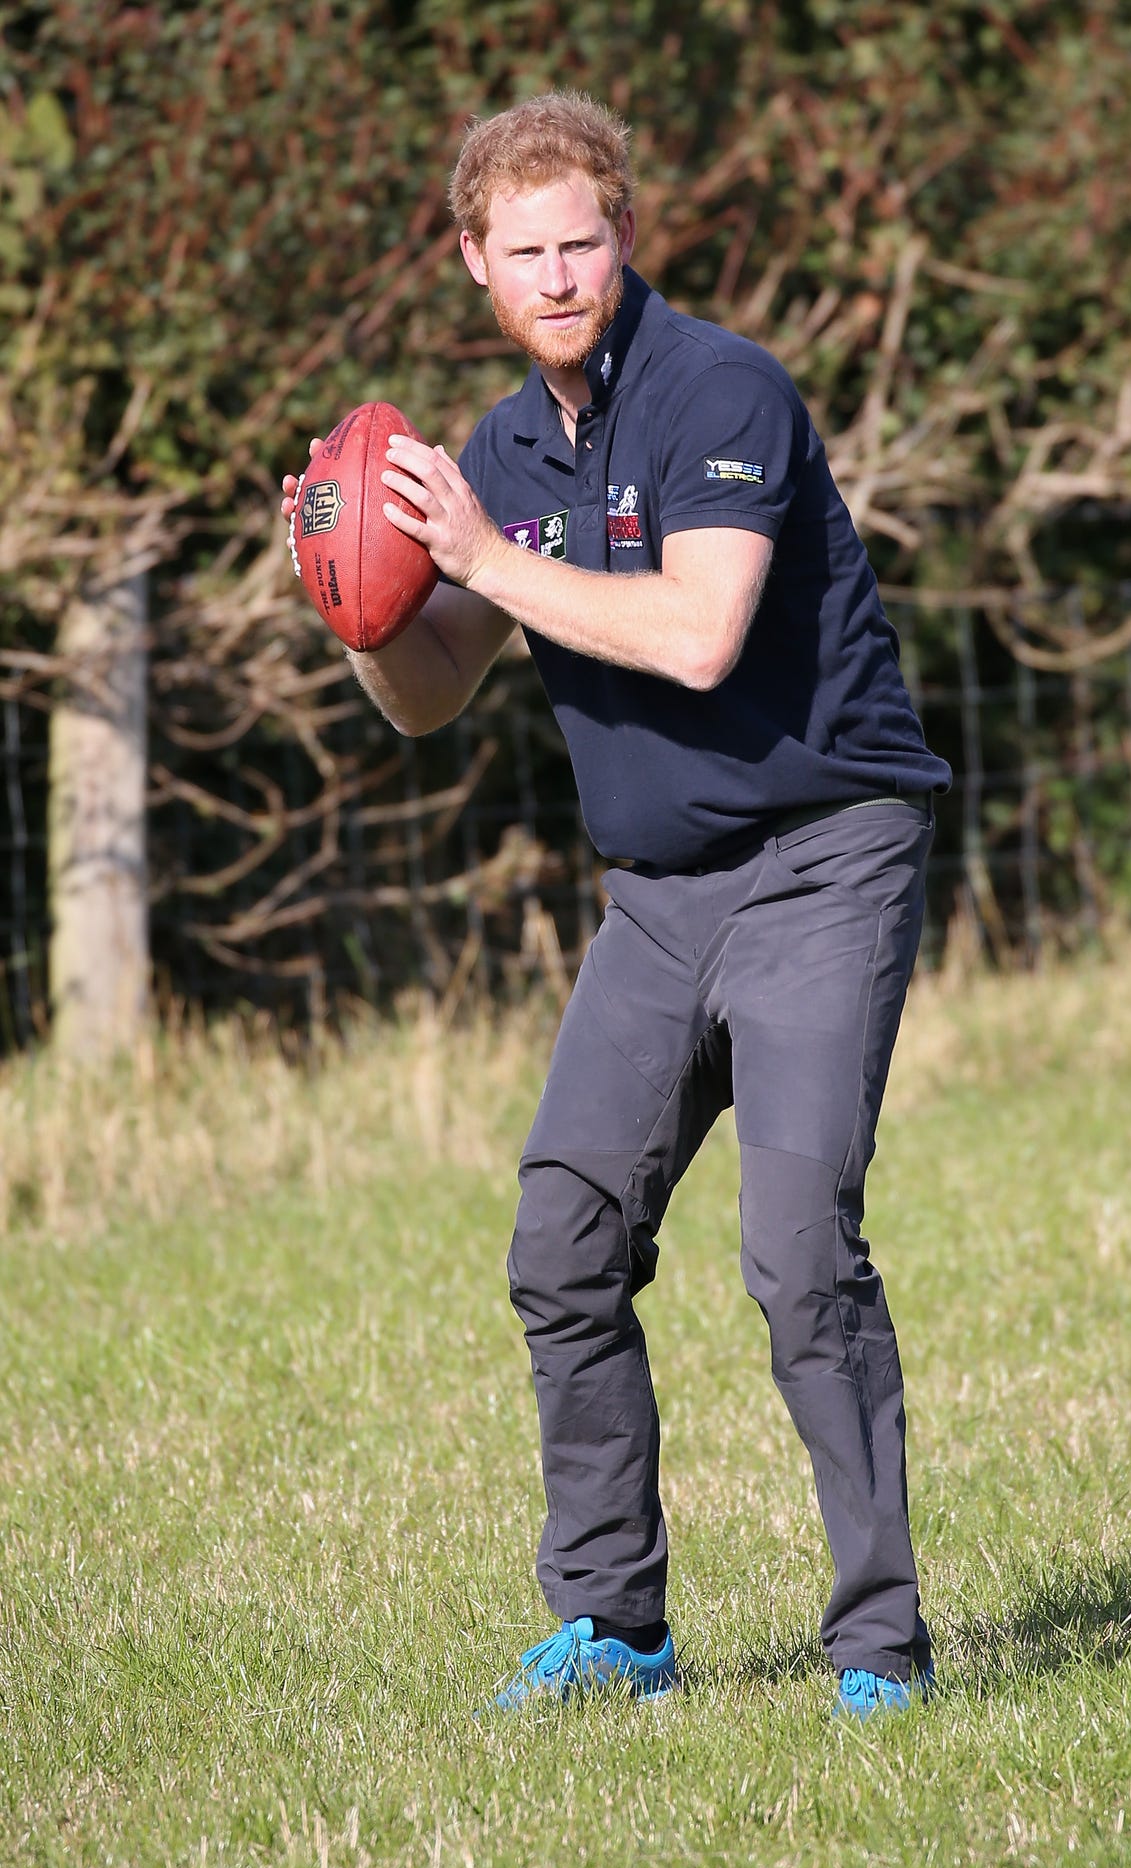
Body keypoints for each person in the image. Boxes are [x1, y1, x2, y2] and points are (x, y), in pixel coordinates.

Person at [282, 91, 952, 1718]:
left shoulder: (721, 387)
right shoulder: (502, 452)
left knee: (799, 1261)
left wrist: (484, 559)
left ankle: (879, 1645)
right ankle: (617, 1629)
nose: (560, 274)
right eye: (525, 252)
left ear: (626, 236)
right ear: (474, 266)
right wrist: (352, 595)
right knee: (562, 1246)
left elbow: (703, 633)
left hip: (820, 866)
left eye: (584, 240)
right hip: (656, 904)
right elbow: (431, 691)